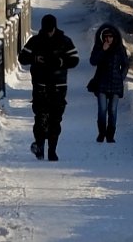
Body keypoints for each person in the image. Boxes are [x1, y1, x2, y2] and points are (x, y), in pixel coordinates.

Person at [17, 14, 80, 161]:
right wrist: (35, 59)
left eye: (50, 30)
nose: (49, 33)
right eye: (46, 30)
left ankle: (52, 150)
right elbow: (22, 58)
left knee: (55, 120)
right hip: (40, 86)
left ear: (55, 27)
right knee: (40, 119)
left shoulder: (64, 41)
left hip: (58, 86)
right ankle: (39, 147)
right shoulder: (35, 41)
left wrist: (59, 62)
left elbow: (75, 60)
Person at [88, 23, 129, 144]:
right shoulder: (99, 47)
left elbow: (125, 64)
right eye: (106, 36)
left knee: (112, 110)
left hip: (115, 84)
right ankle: (101, 133)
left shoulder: (120, 49)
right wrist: (102, 50)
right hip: (102, 83)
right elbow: (93, 61)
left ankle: (110, 135)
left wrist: (121, 76)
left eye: (110, 36)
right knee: (102, 109)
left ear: (114, 37)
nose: (108, 39)